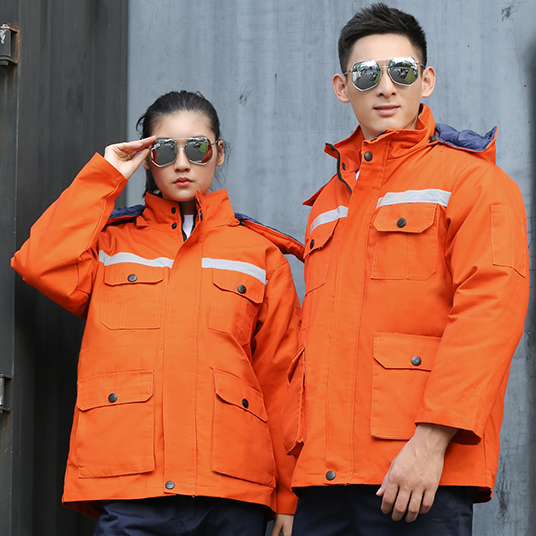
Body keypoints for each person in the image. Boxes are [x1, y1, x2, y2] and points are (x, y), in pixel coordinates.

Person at [281, 4, 529, 536]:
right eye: (366, 74)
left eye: (401, 70)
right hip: (324, 481)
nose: (386, 87)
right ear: (342, 88)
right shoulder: (327, 203)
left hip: (417, 472)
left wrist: (431, 442)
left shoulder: (474, 182)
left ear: (427, 80)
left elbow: (490, 315)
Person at [12, 90, 302, 536]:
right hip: (131, 486)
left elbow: (281, 379)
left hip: (231, 488)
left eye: (198, 148)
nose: (182, 164)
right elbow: (39, 262)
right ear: (147, 159)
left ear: (219, 152)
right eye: (165, 150)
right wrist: (107, 174)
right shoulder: (110, 245)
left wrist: (287, 497)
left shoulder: (259, 254)